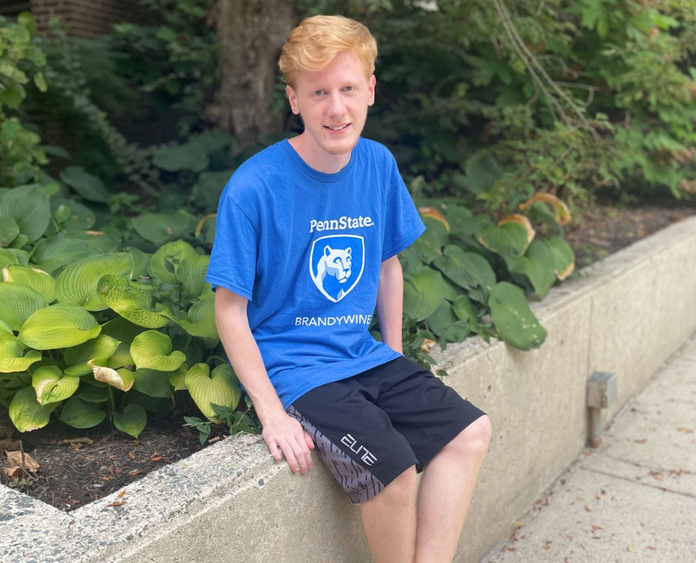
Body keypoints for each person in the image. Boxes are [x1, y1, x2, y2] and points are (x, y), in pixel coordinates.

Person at [205, 14, 491, 563]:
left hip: (362, 355)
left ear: (371, 90)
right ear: (294, 101)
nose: (336, 108)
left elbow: (387, 266)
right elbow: (230, 310)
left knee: (471, 433)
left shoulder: (377, 164)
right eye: (319, 93)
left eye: (348, 89)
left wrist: (395, 354)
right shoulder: (254, 186)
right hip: (298, 370)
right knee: (396, 472)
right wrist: (271, 411)